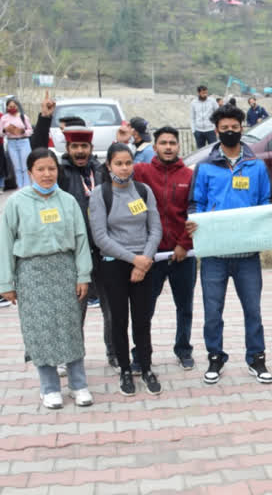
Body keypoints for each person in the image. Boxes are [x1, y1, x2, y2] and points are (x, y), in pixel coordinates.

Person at [0, 148, 93, 408]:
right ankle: (49, 387)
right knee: (39, 330)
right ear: (30, 172)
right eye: (40, 169)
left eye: (51, 168)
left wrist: (83, 274)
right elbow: (5, 243)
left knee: (69, 327)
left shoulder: (68, 201)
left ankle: (78, 384)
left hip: (65, 270)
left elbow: (80, 240)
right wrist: (6, 283)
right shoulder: (17, 203)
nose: (46, 174)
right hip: (30, 273)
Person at [187, 104, 272, 385]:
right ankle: (215, 357)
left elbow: (264, 203)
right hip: (214, 254)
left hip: (247, 254)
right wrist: (195, 222)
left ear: (241, 129)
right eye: (224, 129)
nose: (230, 132)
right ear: (216, 131)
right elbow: (196, 204)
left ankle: (257, 359)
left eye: (235, 128)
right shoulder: (206, 167)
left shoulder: (256, 166)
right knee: (213, 311)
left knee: (254, 310)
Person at [89, 143, 163, 396]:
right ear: (109, 165)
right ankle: (124, 369)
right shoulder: (100, 194)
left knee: (142, 320)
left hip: (144, 264)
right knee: (119, 321)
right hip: (114, 267)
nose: (124, 168)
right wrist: (134, 260)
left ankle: (146, 367)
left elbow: (155, 229)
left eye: (128, 163)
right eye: (118, 163)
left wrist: (145, 259)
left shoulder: (144, 191)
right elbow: (100, 237)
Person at [134, 126, 196, 371]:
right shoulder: (141, 172)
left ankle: (183, 349)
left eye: (172, 142)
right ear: (155, 146)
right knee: (144, 309)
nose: (168, 147)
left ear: (178, 146)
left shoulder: (189, 176)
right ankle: (140, 354)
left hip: (184, 255)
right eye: (163, 143)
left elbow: (195, 213)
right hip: (152, 256)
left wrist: (183, 244)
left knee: (185, 307)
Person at [58, 125, 116, 370]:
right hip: (75, 254)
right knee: (74, 311)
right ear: (68, 149)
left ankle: (114, 353)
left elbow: (121, 168)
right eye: (75, 147)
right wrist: (44, 119)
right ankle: (72, 357)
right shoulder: (61, 173)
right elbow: (37, 149)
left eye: (84, 146)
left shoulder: (100, 171)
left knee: (112, 309)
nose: (80, 151)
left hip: (104, 252)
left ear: (91, 149)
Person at [1, 98, 33, 188]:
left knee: (25, 166)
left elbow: (30, 130)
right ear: (7, 107)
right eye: (10, 106)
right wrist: (5, 130)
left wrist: (22, 132)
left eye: (14, 106)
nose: (12, 108)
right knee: (17, 167)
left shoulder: (23, 117)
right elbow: (1, 133)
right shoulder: (4, 118)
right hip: (11, 143)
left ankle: (26, 187)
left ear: (17, 106)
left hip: (23, 142)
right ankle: (20, 187)